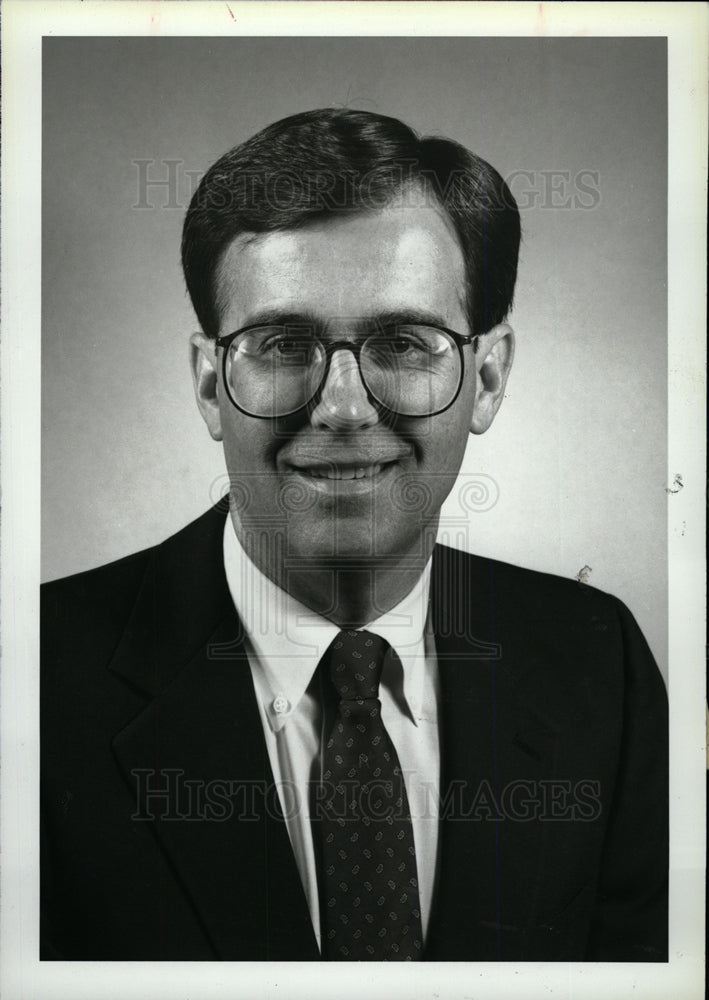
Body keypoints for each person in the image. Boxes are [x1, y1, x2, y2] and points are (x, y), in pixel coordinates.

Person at [41, 108, 668, 962]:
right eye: (282, 342)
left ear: (486, 378)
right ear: (205, 382)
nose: (340, 407)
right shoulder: (30, 679)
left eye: (403, 343)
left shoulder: (601, 665)